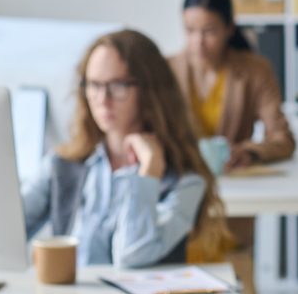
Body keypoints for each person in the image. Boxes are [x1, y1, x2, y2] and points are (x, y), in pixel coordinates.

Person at [22, 29, 234, 268]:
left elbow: (132, 255)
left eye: (118, 85)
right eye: (94, 85)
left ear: (149, 91)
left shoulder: (185, 180)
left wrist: (149, 173)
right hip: (67, 292)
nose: (103, 99)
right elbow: (6, 233)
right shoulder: (61, 164)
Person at [168, 0, 295, 171]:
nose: (198, 41)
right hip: (182, 176)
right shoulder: (166, 69)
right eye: (190, 30)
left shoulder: (255, 70)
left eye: (209, 31)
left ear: (229, 28)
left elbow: (283, 139)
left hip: (234, 177)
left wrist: (250, 152)